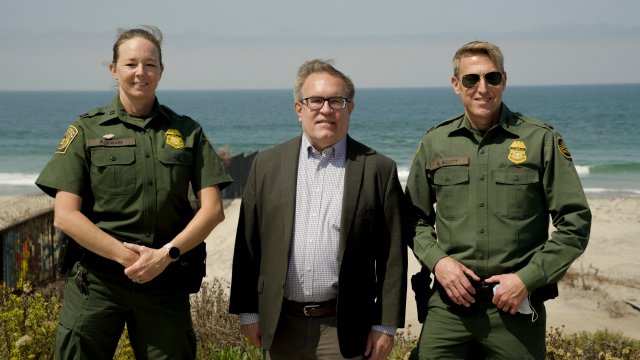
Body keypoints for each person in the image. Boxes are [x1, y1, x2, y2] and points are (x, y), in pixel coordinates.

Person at [35, 26, 232, 359]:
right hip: (96, 284)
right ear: (114, 70)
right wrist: (128, 257)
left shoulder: (187, 131)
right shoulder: (86, 129)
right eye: (130, 64)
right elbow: (65, 215)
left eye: (150, 64)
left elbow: (212, 210)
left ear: (161, 71)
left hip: (164, 282)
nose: (141, 72)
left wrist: (165, 256)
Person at [405, 41, 591, 359]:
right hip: (448, 308)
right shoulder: (435, 142)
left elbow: (575, 222)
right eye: (471, 79)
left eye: (491, 78)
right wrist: (439, 262)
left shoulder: (540, 140)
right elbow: (412, 217)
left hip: (514, 307)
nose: (482, 88)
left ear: (504, 80)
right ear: (455, 84)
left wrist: (526, 280)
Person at [228, 59, 407, 359]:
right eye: (315, 101)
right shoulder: (267, 165)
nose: (326, 109)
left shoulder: (378, 169)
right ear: (299, 109)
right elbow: (248, 244)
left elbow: (392, 257)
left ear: (350, 108)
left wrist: (385, 326)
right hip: (280, 324)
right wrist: (248, 312)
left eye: (336, 101)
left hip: (345, 329)